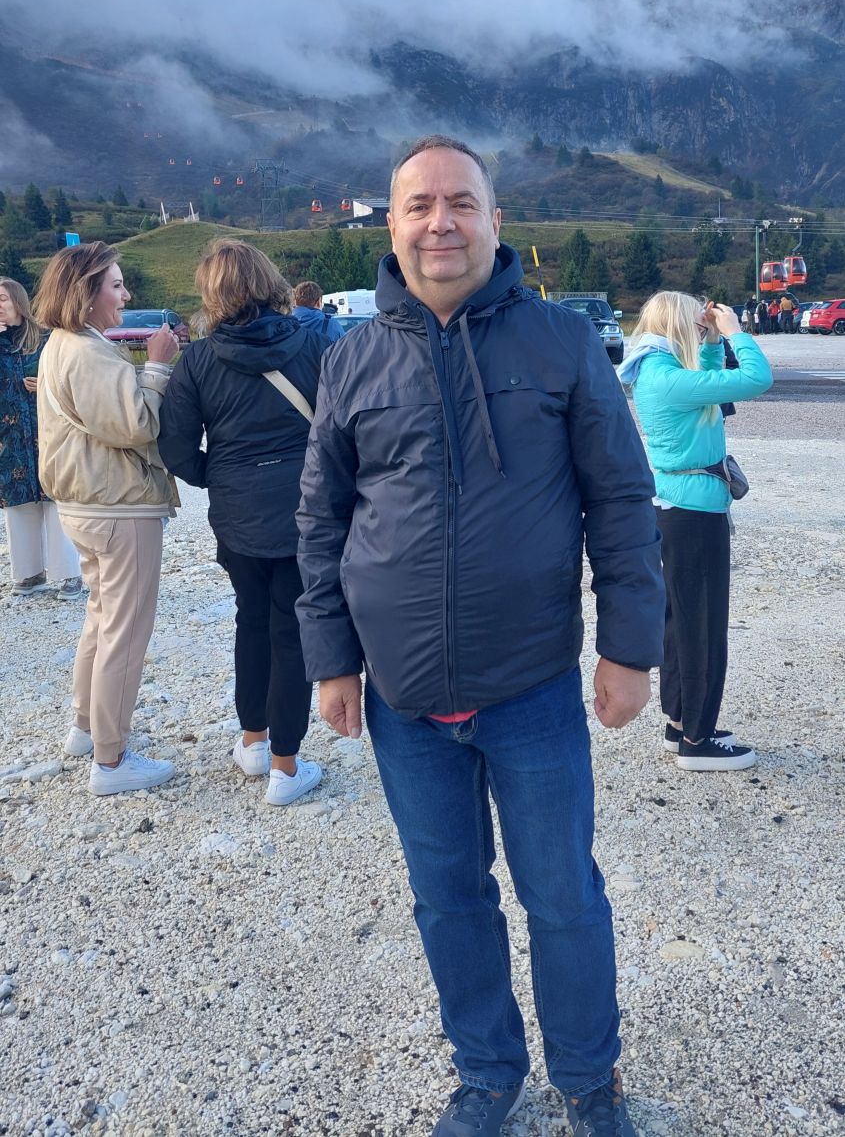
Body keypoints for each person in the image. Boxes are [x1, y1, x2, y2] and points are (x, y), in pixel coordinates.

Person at [296, 136, 665, 1137]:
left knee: (562, 896)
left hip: (530, 688)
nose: (440, 223)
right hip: (402, 698)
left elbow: (620, 500)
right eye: (418, 205)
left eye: (460, 202)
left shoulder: (560, 342)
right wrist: (331, 660)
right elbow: (321, 521)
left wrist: (628, 647)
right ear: (391, 224)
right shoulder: (351, 359)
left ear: (495, 222)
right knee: (448, 900)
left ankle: (587, 1078)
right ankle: (487, 1073)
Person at [158, 240, 330, 806]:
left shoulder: (199, 361)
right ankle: (286, 766)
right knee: (292, 630)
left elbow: (175, 447)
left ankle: (254, 739)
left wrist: (219, 475)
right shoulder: (316, 343)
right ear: (269, 280)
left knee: (250, 621)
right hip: (307, 506)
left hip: (237, 513)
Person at [34, 242, 180, 796]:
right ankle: (112, 760)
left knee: (101, 619)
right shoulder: (87, 351)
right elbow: (137, 425)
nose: (126, 294)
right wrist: (158, 364)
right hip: (119, 506)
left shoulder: (62, 343)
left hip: (87, 505)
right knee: (125, 631)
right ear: (86, 292)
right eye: (115, 285)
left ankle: (85, 728)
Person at [619, 292, 772, 772]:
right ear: (679, 325)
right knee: (702, 624)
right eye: (696, 324)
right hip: (693, 514)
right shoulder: (668, 379)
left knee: (681, 621)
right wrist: (734, 333)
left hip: (678, 508)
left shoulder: (658, 369)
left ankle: (681, 723)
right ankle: (698, 742)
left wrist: (708, 344)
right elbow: (757, 378)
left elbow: (708, 382)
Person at [0, 277, 82, 599]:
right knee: (18, 504)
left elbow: (70, 378)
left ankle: (69, 573)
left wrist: (46, 387)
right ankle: (29, 573)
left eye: (2, 299)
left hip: (48, 432)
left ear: (18, 302)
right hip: (9, 438)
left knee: (56, 500)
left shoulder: (46, 339)